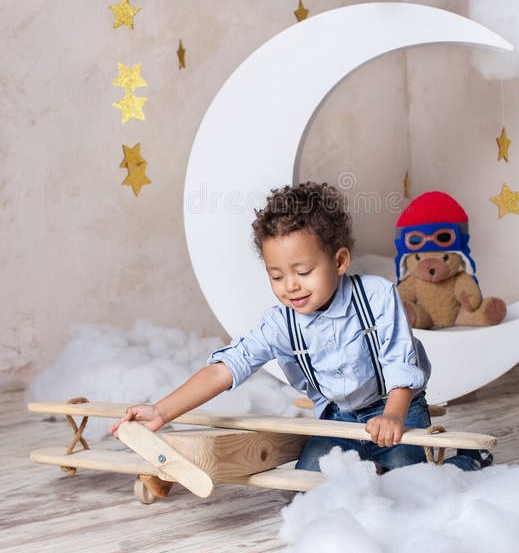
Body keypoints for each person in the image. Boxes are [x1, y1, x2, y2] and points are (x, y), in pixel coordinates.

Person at [110, 182, 492, 473]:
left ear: (339, 261)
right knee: (309, 485)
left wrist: (393, 417)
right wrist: (161, 411)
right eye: (276, 276)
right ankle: (366, 465)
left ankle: (467, 461)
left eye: (303, 272)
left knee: (411, 487)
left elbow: (399, 363)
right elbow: (227, 367)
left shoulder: (376, 296)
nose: (290, 285)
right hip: (340, 417)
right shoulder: (281, 323)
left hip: (395, 407)